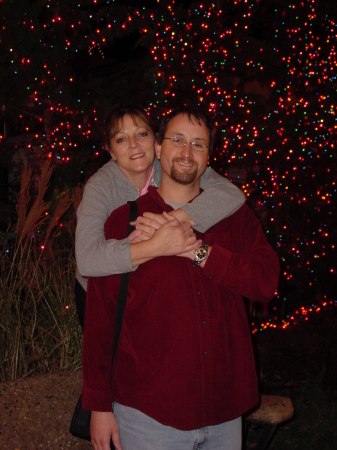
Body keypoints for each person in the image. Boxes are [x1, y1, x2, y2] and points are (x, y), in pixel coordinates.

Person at [81, 106, 280, 450]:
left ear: (208, 158)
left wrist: (199, 252)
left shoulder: (235, 218)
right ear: (158, 149)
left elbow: (265, 283)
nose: (187, 153)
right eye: (177, 140)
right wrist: (99, 405)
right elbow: (100, 320)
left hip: (224, 412)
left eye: (198, 145)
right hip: (148, 415)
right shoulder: (124, 222)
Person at [75, 106, 245, 329]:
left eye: (141, 134)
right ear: (111, 152)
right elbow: (87, 260)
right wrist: (155, 245)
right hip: (102, 291)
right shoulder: (101, 186)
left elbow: (231, 194)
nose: (134, 144)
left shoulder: (171, 166)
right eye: (121, 139)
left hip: (148, 292)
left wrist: (174, 219)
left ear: (156, 144)